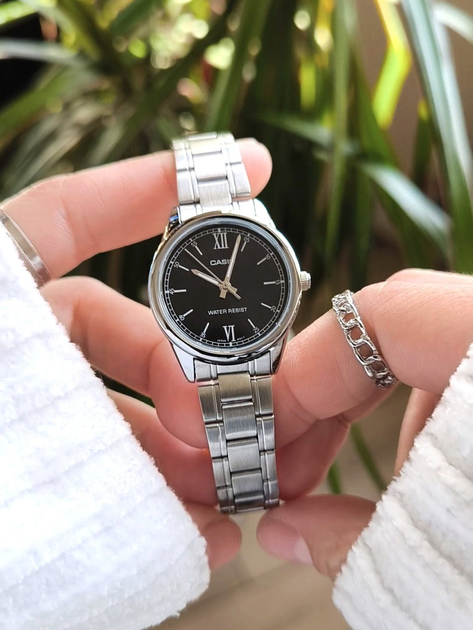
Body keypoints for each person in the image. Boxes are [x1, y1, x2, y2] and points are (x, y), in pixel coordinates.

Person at [0, 139, 472, 630]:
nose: (226, 289)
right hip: (205, 349)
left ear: (294, 280)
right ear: (160, 297)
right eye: (221, 287)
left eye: (229, 284)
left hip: (247, 343)